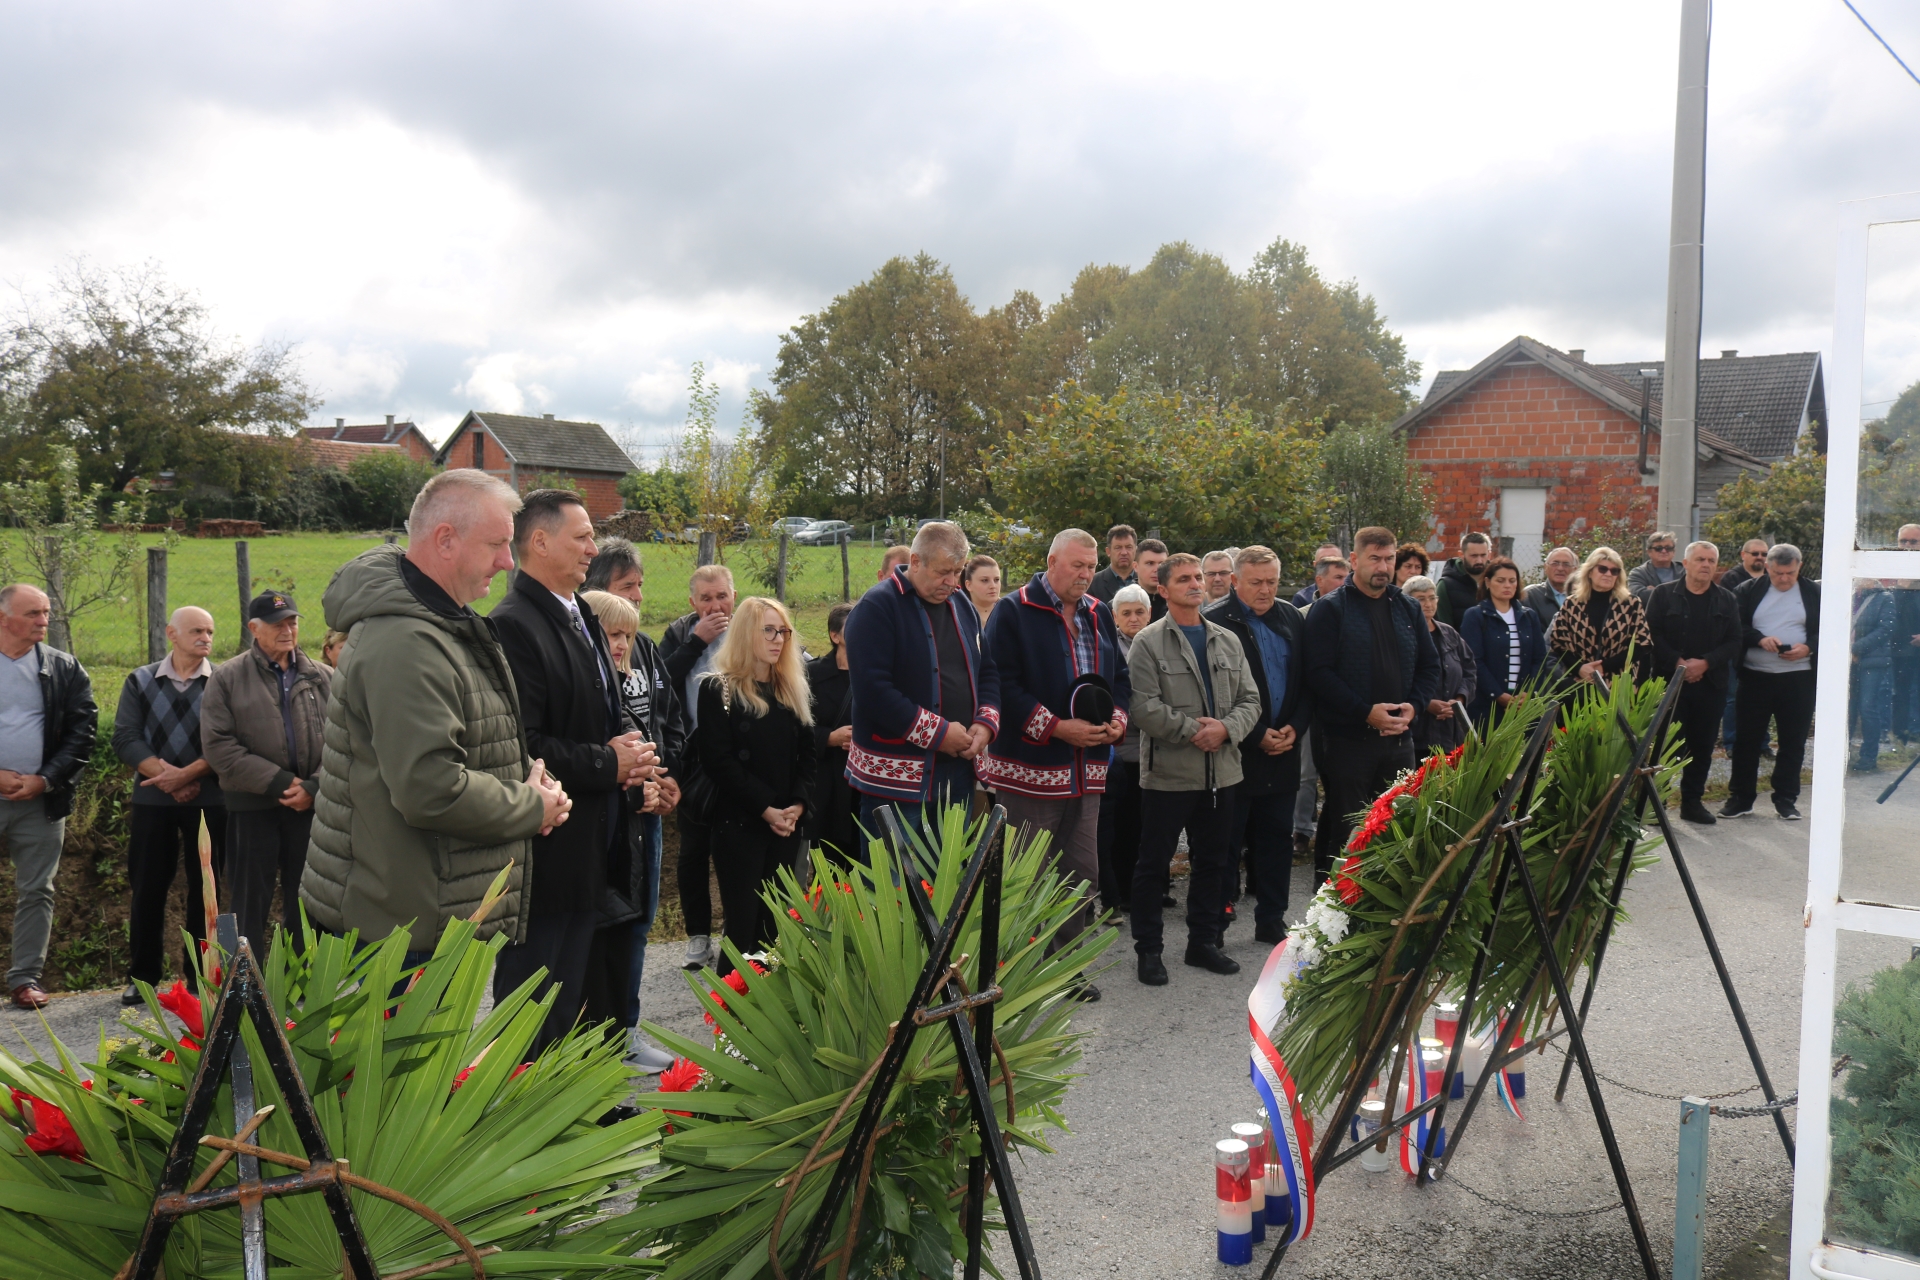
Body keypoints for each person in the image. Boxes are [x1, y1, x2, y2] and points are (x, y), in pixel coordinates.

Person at [302, 470, 571, 971]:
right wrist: (528, 806)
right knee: (401, 1054)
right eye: (496, 543)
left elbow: (467, 745)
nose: (507, 561)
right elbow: (430, 787)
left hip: (424, 912)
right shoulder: (408, 642)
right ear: (445, 539)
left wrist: (529, 781)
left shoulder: (439, 626)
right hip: (402, 930)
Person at [490, 489, 658, 1055]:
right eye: (581, 536)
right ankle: (525, 1118)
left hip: (591, 842)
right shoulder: (513, 625)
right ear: (539, 541)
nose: (593, 547)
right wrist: (610, 763)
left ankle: (575, 1114)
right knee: (536, 1007)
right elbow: (523, 745)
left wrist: (632, 759)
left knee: (575, 1002)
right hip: (547, 854)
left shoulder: (582, 611)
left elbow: (598, 717)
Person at [983, 528, 1130, 997]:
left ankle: (1067, 969)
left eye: (1091, 567)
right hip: (1029, 769)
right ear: (1051, 561)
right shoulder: (1014, 609)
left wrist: (1117, 720)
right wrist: (1053, 726)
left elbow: (1120, 678)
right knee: (1024, 874)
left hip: (1086, 770)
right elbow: (999, 682)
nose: (1086, 575)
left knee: (1080, 873)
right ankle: (1017, 972)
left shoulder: (1098, 612)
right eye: (1076, 566)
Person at [1127, 554, 1262, 985]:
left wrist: (1225, 729)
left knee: (1215, 861)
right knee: (1153, 865)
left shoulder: (1226, 639)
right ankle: (1149, 950)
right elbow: (1143, 707)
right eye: (1184, 579)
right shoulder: (1147, 642)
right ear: (1162, 590)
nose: (1195, 584)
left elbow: (1251, 700)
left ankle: (1202, 942)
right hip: (1169, 775)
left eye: (1198, 577)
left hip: (1222, 773)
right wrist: (1193, 731)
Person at [846, 521, 999, 837]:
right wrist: (940, 733)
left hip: (957, 768)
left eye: (957, 572)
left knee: (946, 876)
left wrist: (985, 723)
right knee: (891, 879)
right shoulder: (877, 606)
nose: (951, 582)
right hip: (895, 778)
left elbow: (987, 669)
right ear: (915, 562)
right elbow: (872, 691)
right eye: (943, 572)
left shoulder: (962, 606)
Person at [1303, 528, 1440, 881]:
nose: (1383, 566)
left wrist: (1415, 705)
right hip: (1348, 742)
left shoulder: (1407, 607)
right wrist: (1365, 712)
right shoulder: (1330, 609)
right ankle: (1331, 913)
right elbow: (1318, 674)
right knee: (1347, 832)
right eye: (1374, 558)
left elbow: (1429, 666)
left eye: (1389, 558)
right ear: (1355, 560)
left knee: (1396, 830)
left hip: (1399, 740)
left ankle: (1381, 918)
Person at [582, 588, 680, 1073]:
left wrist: (663, 780)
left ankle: (623, 1034)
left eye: (627, 636)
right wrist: (632, 791)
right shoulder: (589, 695)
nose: (621, 646)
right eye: (611, 634)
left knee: (631, 932)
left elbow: (666, 731)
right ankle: (604, 1050)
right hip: (602, 842)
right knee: (602, 948)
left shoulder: (627, 683)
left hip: (637, 833)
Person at [202, 590, 330, 957]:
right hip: (251, 808)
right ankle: (244, 982)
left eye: (292, 621)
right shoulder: (226, 678)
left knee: (307, 898)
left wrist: (315, 785)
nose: (287, 630)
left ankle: (302, 979)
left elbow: (348, 742)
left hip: (310, 807)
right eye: (277, 624)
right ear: (254, 629)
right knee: (246, 899)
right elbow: (218, 746)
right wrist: (280, 783)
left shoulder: (324, 678)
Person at [695, 596, 816, 974]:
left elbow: (809, 756)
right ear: (747, 632)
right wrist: (766, 807)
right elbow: (718, 761)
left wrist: (797, 803)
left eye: (783, 631)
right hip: (740, 825)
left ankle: (772, 1021)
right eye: (769, 630)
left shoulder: (791, 687)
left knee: (776, 927)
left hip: (786, 826)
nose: (778, 639)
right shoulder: (718, 689)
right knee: (742, 928)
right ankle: (730, 1023)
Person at [111, 605, 226, 1002]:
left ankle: (201, 978)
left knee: (205, 888)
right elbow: (125, 738)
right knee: (147, 887)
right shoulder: (140, 680)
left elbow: (228, 739)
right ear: (171, 634)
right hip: (153, 800)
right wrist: (170, 779)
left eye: (210, 632)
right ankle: (142, 978)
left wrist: (190, 774)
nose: (206, 639)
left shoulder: (222, 681)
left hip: (209, 800)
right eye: (197, 630)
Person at [1204, 546, 1311, 945]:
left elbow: (1306, 682)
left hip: (1284, 749)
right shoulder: (1214, 622)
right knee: (1225, 843)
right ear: (1234, 581)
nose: (1266, 590)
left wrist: (1295, 728)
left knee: (1276, 841)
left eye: (1273, 582)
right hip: (1236, 752)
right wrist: (1255, 733)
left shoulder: (1292, 619)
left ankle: (1272, 919)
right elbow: (1212, 696)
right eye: (1257, 583)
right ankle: (1215, 923)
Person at [0, 584, 96, 1011]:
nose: (44, 621)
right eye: (34, 613)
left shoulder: (64, 668)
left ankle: (25, 980)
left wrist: (46, 780)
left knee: (38, 889)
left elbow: (82, 733)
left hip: (41, 801)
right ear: (4, 618)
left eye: (46, 612)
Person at [660, 564, 736, 971]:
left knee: (734, 852)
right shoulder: (677, 633)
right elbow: (658, 682)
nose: (714, 605)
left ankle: (736, 935)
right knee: (693, 852)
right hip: (694, 761)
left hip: (741, 761)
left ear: (734, 597)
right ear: (692, 602)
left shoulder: (749, 628)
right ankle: (697, 935)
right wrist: (694, 642)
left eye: (721, 596)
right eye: (705, 598)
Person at [1645, 542, 1742, 824]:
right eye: (1700, 559)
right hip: (1669, 684)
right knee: (1666, 746)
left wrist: (1706, 662)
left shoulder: (1726, 599)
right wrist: (1678, 663)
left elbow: (1735, 641)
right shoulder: (1664, 595)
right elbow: (1651, 634)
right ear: (1685, 564)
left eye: (1712, 560)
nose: (1706, 565)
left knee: (1702, 747)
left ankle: (1692, 803)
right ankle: (1657, 804)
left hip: (1710, 684)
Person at [1722, 544, 1820, 820]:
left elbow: (1830, 627)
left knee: (1793, 741)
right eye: (1778, 573)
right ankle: (1741, 798)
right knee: (1746, 741)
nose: (1784, 579)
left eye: (1790, 573)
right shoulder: (1747, 590)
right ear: (1767, 567)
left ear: (1799, 566)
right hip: (1756, 676)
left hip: (1799, 677)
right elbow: (1734, 625)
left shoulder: (1814, 592)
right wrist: (1759, 639)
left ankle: (1786, 799)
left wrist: (1808, 648)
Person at [1097, 584, 1152, 913]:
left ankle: (1143, 889)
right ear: (1115, 617)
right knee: (1116, 827)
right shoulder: (1109, 645)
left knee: (1144, 826)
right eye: (1126, 613)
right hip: (1119, 752)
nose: (1133, 618)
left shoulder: (1156, 641)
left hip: (1151, 750)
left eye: (1140, 612)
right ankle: (1115, 894)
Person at [1456, 557, 1547, 726]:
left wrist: (1529, 692)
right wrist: (1497, 694)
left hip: (1524, 705)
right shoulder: (1475, 616)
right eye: (1501, 580)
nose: (1507, 585)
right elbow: (1474, 660)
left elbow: (1540, 658)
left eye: (1512, 581)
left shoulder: (1529, 616)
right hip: (1486, 706)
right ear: (1488, 582)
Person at [1545, 547, 1651, 686]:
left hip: (1618, 685)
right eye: (1602, 569)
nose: (1608, 574)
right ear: (1589, 572)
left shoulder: (1631, 604)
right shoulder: (1572, 603)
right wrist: (1579, 668)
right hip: (1579, 683)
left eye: (1614, 571)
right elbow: (1558, 643)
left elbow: (1642, 645)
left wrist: (1603, 667)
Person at [807, 603, 858, 862]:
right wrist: (829, 738)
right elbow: (795, 728)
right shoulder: (812, 675)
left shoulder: (876, 674)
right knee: (829, 868)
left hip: (864, 787)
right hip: (827, 788)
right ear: (834, 636)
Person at [1401, 576, 1476, 753]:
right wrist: (1425, 703)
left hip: (1452, 731)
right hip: (1419, 730)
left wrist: (1459, 700)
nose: (1428, 604)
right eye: (1421, 599)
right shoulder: (1402, 636)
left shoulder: (1450, 634)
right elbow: (1398, 678)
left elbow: (1469, 670)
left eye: (1432, 597)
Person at [1719, 537, 1772, 757]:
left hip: (1764, 649)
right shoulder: (1731, 579)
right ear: (1743, 555)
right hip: (1736, 648)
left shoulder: (1773, 580)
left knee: (1764, 698)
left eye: (1763, 554)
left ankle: (1762, 743)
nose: (1760, 557)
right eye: (1755, 553)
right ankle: (1732, 743)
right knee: (1733, 697)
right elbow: (1735, 615)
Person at [1850, 580, 1898, 773]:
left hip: (1872, 661)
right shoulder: (1850, 596)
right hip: (1849, 661)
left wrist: (1856, 648)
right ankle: (1845, 755)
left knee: (1868, 708)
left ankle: (1868, 757)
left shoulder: (1884, 598)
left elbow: (1886, 629)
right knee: (1848, 709)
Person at [1891, 525, 1920, 744]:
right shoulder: (1891, 572)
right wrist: (1900, 587)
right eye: (1903, 542)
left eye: (1913, 542)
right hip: (1899, 646)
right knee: (1899, 692)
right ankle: (1901, 735)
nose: (1907, 547)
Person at [1434, 532, 1491, 628]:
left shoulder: (1498, 581)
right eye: (1474, 556)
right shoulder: (1446, 586)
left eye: (1483, 555)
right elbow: (1444, 630)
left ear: (1489, 555)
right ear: (1461, 555)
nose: (1479, 561)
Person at [1522, 546, 1580, 636]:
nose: (1560, 568)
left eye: (1566, 564)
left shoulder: (1582, 597)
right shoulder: (1530, 595)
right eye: (1555, 563)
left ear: (1575, 570)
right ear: (1546, 567)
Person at [1088, 524, 1139, 603]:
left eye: (1129, 547)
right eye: (1118, 547)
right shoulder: (1093, 583)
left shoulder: (1146, 581)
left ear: (1135, 550)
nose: (1124, 552)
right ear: (1108, 551)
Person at [1627, 531, 1681, 599]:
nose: (1664, 551)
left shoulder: (1685, 571)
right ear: (1649, 552)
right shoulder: (1638, 573)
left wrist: (1655, 591)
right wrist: (1676, 592)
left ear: (1674, 551)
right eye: (1658, 548)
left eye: (1668, 548)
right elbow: (1639, 596)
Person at [1290, 544, 1345, 608]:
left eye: (1334, 560)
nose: (1329, 565)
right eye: (1323, 561)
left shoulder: (1354, 594)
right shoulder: (1302, 598)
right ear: (1315, 564)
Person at [1134, 538, 1170, 622]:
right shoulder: (1121, 603)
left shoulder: (1177, 601)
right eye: (1150, 563)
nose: (1157, 569)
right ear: (1136, 566)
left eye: (1162, 564)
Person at [963, 554, 1003, 626]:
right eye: (985, 580)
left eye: (996, 580)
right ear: (968, 585)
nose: (993, 586)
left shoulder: (1010, 613)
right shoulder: (958, 616)